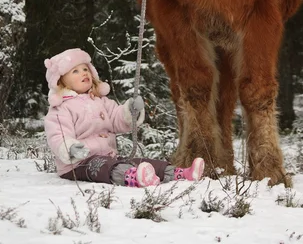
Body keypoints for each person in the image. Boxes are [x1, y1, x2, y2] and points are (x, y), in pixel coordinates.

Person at [44, 48, 205, 187]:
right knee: (106, 167)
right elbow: (57, 135)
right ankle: (134, 177)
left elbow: (116, 119)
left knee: (139, 161)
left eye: (85, 69)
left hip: (108, 156)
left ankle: (179, 173)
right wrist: (70, 148)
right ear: (61, 81)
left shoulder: (101, 101)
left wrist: (130, 112)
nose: (84, 73)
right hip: (78, 164)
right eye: (75, 71)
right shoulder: (61, 109)